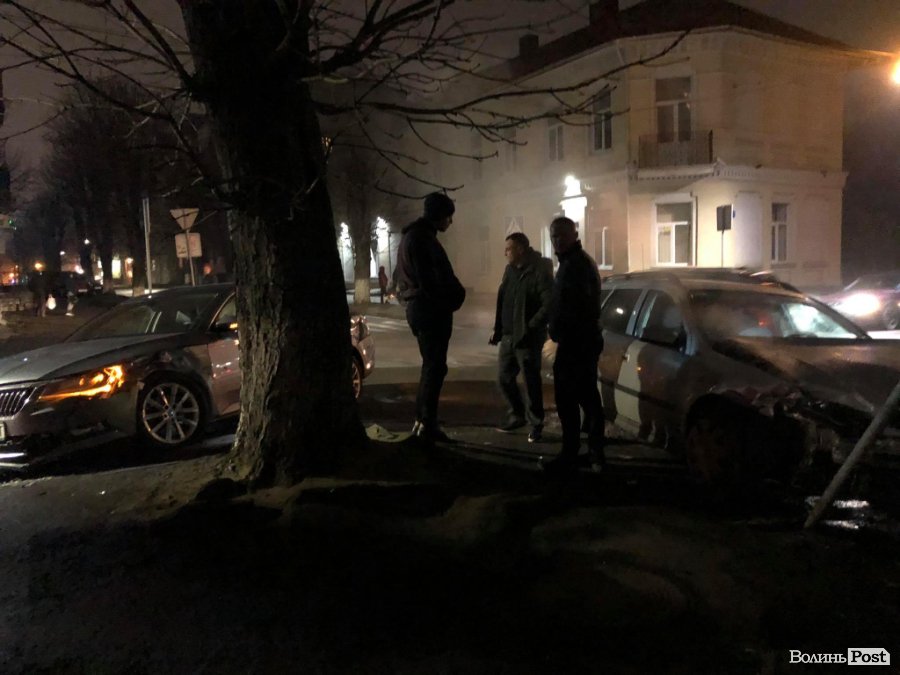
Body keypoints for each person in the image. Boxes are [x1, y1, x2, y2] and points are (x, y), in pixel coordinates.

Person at [394, 192, 466, 443]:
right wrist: (448, 301)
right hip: (430, 311)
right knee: (434, 367)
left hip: (423, 309)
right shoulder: (422, 240)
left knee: (432, 366)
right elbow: (430, 282)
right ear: (439, 215)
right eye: (449, 217)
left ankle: (424, 420)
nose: (450, 222)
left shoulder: (414, 237)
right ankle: (426, 422)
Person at [542, 216, 605, 474]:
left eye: (562, 235)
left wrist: (561, 329)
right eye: (553, 236)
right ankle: (588, 453)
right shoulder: (570, 262)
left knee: (576, 399)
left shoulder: (578, 265)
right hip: (575, 341)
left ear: (573, 235)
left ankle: (577, 454)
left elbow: (581, 308)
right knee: (580, 398)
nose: (557, 240)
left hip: (578, 343)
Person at [489, 232, 553, 443]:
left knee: (530, 380)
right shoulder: (510, 270)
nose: (505, 253)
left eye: (508, 249)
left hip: (527, 338)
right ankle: (517, 414)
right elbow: (504, 299)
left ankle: (536, 424)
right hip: (509, 336)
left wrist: (531, 327)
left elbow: (549, 304)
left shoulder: (539, 271)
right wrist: (498, 329)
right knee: (504, 378)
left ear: (520, 250)